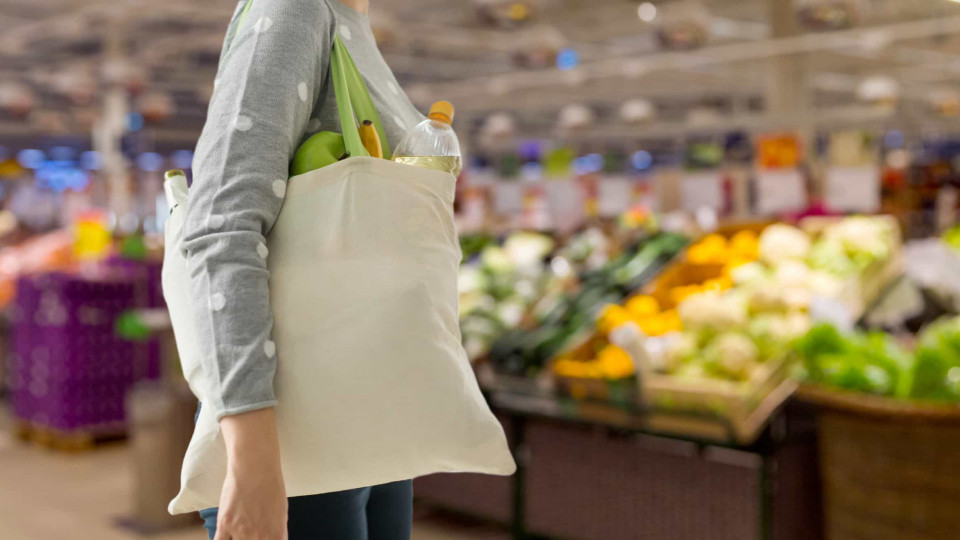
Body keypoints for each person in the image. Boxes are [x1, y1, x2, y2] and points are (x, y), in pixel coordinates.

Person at [182, 0, 424, 538]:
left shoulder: (348, 21)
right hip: (297, 435)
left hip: (370, 411)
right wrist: (253, 467)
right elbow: (223, 225)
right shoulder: (296, 9)